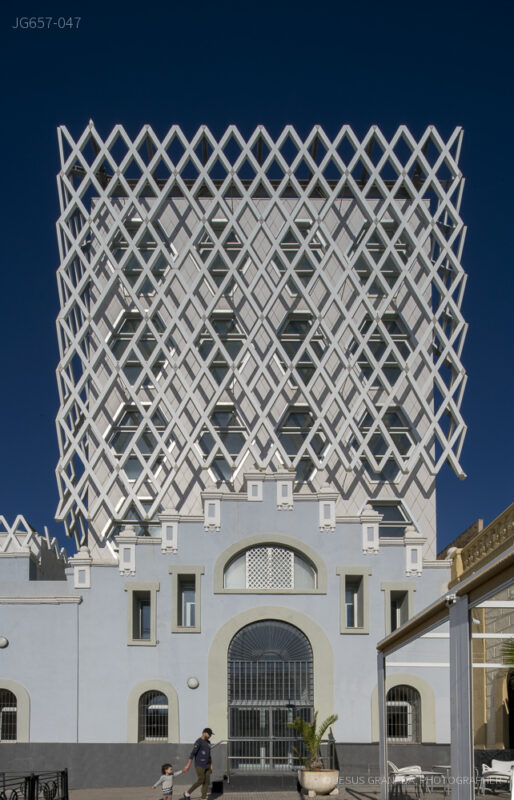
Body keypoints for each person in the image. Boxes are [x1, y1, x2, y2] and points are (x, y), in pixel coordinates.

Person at [182, 727, 214, 800]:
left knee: (207, 782)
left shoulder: (208, 742)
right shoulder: (198, 742)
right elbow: (192, 754)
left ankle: (203, 798)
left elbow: (209, 755)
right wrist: (188, 765)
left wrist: (211, 765)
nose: (210, 736)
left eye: (211, 734)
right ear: (204, 733)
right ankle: (187, 792)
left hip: (208, 765)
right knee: (201, 780)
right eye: (209, 734)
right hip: (199, 765)